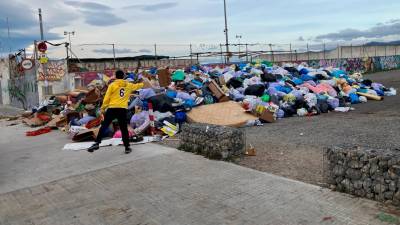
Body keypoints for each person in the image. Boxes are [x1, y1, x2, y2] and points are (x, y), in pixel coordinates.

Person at [88, 70, 150, 154]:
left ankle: (97, 143)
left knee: (104, 126)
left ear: (116, 77)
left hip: (112, 108)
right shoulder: (129, 85)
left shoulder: (112, 85)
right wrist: (145, 81)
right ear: (123, 76)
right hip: (122, 109)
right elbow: (139, 85)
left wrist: (103, 108)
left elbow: (107, 98)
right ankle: (127, 147)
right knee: (124, 128)